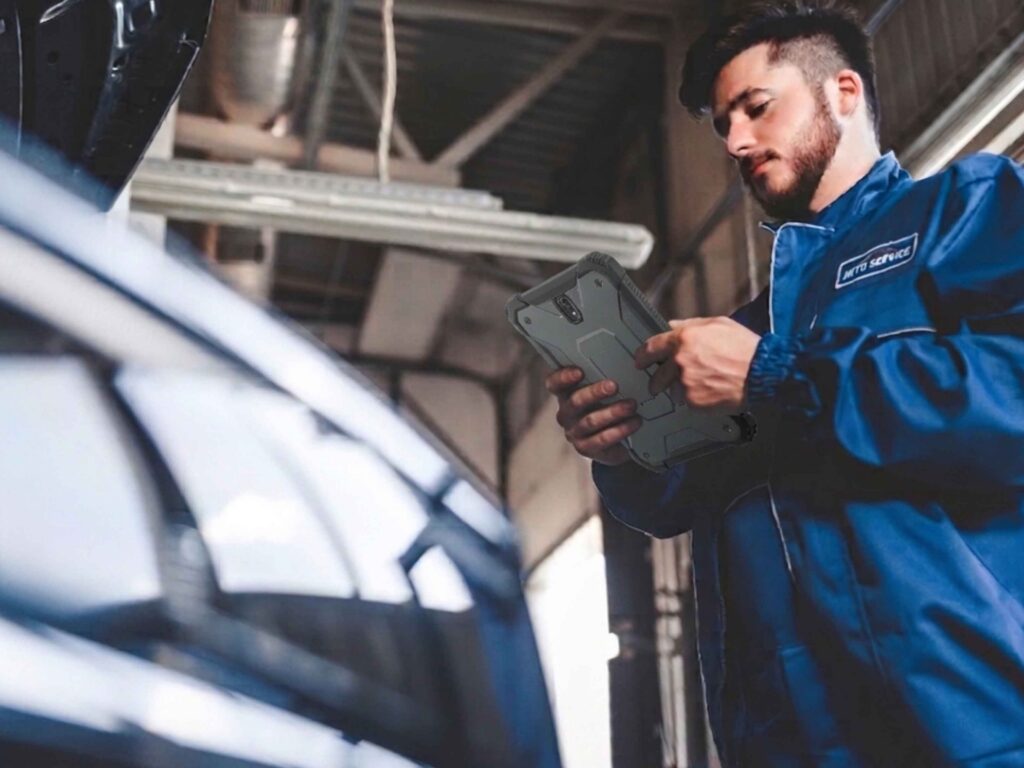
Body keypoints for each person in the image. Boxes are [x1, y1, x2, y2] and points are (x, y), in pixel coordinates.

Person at [545, 2, 1024, 766]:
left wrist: (777, 374)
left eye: (756, 107)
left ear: (842, 91)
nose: (735, 141)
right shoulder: (746, 328)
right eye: (723, 124)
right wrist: (622, 446)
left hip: (968, 727)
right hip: (783, 741)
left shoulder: (965, 211)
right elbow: (675, 501)